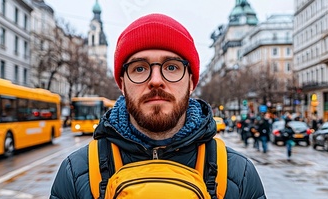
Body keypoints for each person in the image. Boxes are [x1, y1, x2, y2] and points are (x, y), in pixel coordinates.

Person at [50, 13, 265, 198]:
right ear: (122, 84)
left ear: (191, 82)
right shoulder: (75, 172)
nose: (155, 80)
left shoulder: (240, 174)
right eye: (139, 68)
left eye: (171, 67)